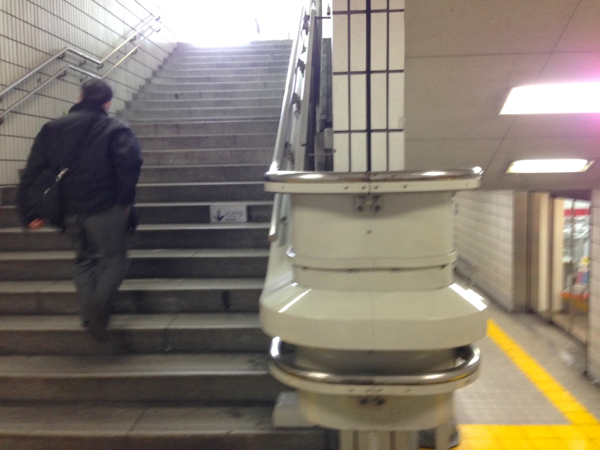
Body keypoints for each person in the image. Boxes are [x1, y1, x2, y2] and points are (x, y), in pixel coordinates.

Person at [17, 78, 143, 342]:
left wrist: (27, 211)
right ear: (107, 103)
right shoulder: (116, 128)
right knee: (115, 258)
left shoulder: (52, 128)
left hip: (68, 210)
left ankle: (88, 314)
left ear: (80, 97)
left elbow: (32, 171)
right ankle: (97, 310)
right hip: (105, 207)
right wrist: (125, 200)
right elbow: (129, 165)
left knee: (84, 259)